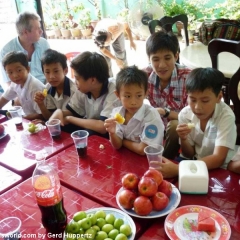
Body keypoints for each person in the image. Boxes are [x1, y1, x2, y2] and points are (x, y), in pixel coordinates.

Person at [159, 67, 237, 178]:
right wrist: (184, 138)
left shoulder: (226, 116)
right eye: (193, 99)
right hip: (194, 161)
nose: (197, 107)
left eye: (205, 101)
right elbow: (189, 154)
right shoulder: (185, 114)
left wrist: (179, 169)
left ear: (219, 97)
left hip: (217, 169)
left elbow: (219, 158)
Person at [49, 51, 121, 136]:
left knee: (90, 133)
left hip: (114, 135)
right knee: (63, 126)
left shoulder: (114, 89)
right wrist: (59, 112)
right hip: (94, 129)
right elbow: (72, 111)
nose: (75, 82)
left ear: (93, 80)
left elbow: (103, 127)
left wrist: (69, 119)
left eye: (77, 79)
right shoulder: (83, 89)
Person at [146, 30, 192, 160]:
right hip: (154, 130)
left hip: (182, 133)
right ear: (149, 59)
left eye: (167, 58)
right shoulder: (144, 76)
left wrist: (165, 112)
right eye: (155, 59)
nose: (161, 65)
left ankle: (164, 162)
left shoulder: (188, 78)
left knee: (174, 126)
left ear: (176, 56)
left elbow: (193, 119)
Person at [104, 65, 164, 155]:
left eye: (139, 96)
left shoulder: (152, 116)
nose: (133, 102)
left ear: (145, 93)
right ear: (118, 95)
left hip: (148, 162)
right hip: (126, 158)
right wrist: (112, 133)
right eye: (127, 96)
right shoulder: (117, 113)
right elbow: (117, 145)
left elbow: (142, 150)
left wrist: (122, 141)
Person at [0, 11, 50, 91]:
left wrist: (46, 91)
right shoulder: (6, 51)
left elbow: (50, 71)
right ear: (25, 32)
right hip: (21, 94)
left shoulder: (44, 44)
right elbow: (8, 82)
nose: (41, 31)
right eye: (37, 29)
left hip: (44, 89)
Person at [34, 49, 77, 120]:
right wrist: (41, 104)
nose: (51, 76)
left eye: (56, 71)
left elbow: (76, 115)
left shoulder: (74, 89)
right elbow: (49, 117)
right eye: (47, 72)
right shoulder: (47, 88)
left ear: (65, 71)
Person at [0, 51, 45, 120]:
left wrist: (19, 118)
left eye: (19, 70)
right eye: (10, 72)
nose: (15, 76)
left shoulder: (35, 87)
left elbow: (41, 115)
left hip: (39, 122)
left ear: (28, 69)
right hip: (26, 117)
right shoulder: (15, 83)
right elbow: (4, 99)